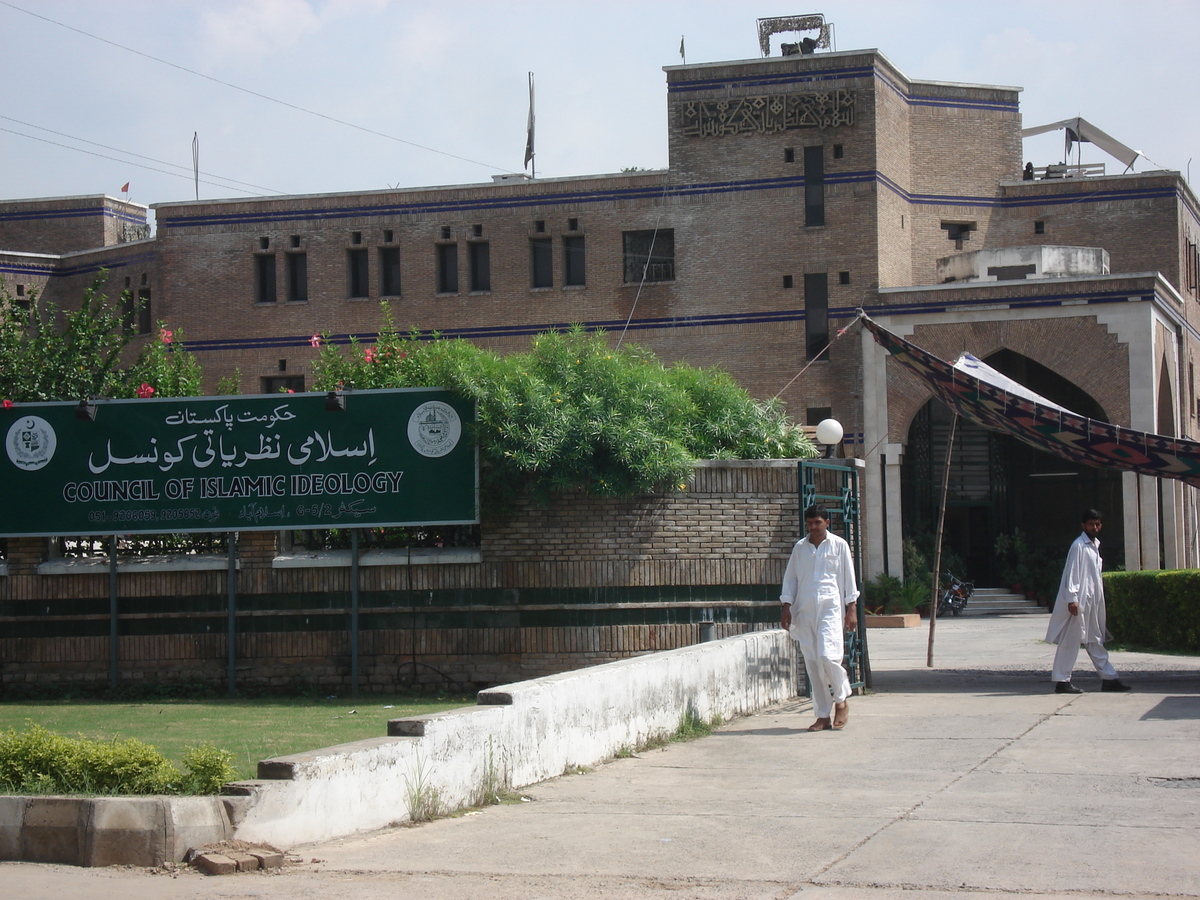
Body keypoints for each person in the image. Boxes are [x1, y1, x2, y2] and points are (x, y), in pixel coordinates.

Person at [780, 504, 859, 731]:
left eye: (818, 523)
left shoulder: (838, 545)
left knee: (828, 655)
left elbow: (849, 578)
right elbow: (791, 579)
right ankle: (822, 715)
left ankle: (841, 700)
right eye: (810, 523)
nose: (813, 527)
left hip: (830, 608)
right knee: (813, 662)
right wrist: (787, 607)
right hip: (804, 610)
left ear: (827, 522)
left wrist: (851, 608)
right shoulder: (800, 548)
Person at [1045, 509, 1130, 693]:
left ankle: (1109, 678)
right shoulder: (1079, 546)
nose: (1095, 527)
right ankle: (1062, 681)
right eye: (1091, 524)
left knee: (1094, 640)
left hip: (1092, 602)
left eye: (1098, 524)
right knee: (1070, 641)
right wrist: (1073, 599)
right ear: (1084, 525)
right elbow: (1072, 574)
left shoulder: (1094, 545)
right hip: (1079, 603)